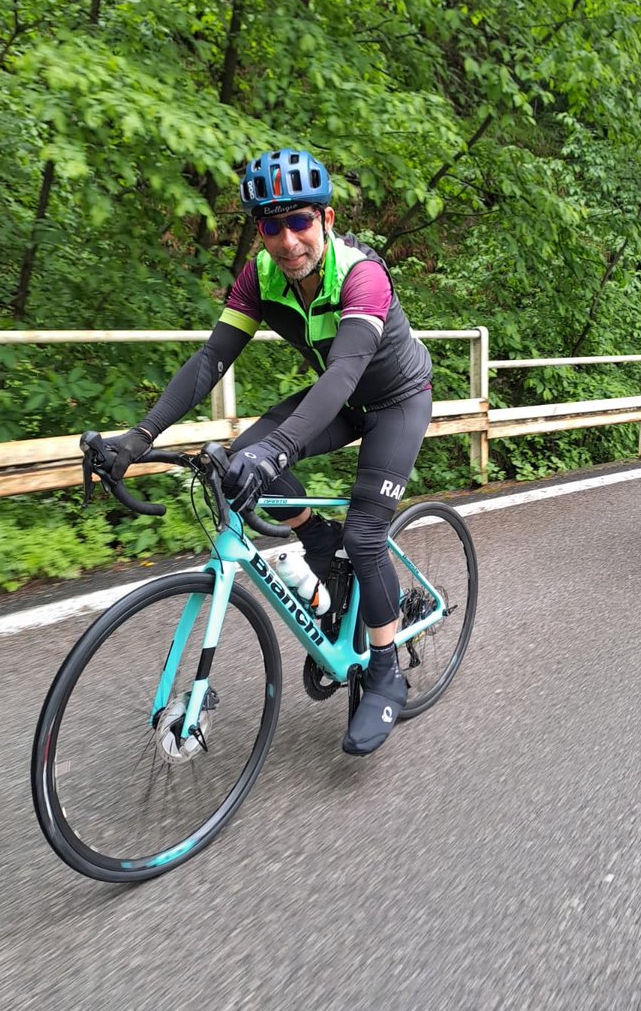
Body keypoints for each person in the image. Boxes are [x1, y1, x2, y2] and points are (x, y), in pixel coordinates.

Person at [97, 147, 434, 756]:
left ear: (326, 220)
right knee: (237, 462)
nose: (287, 239)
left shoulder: (362, 274)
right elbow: (209, 361)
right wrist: (139, 437)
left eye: (299, 220)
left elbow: (344, 371)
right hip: (343, 398)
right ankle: (315, 539)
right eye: (271, 225)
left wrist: (280, 449)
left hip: (394, 401)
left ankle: (384, 666)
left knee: (364, 533)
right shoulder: (262, 275)